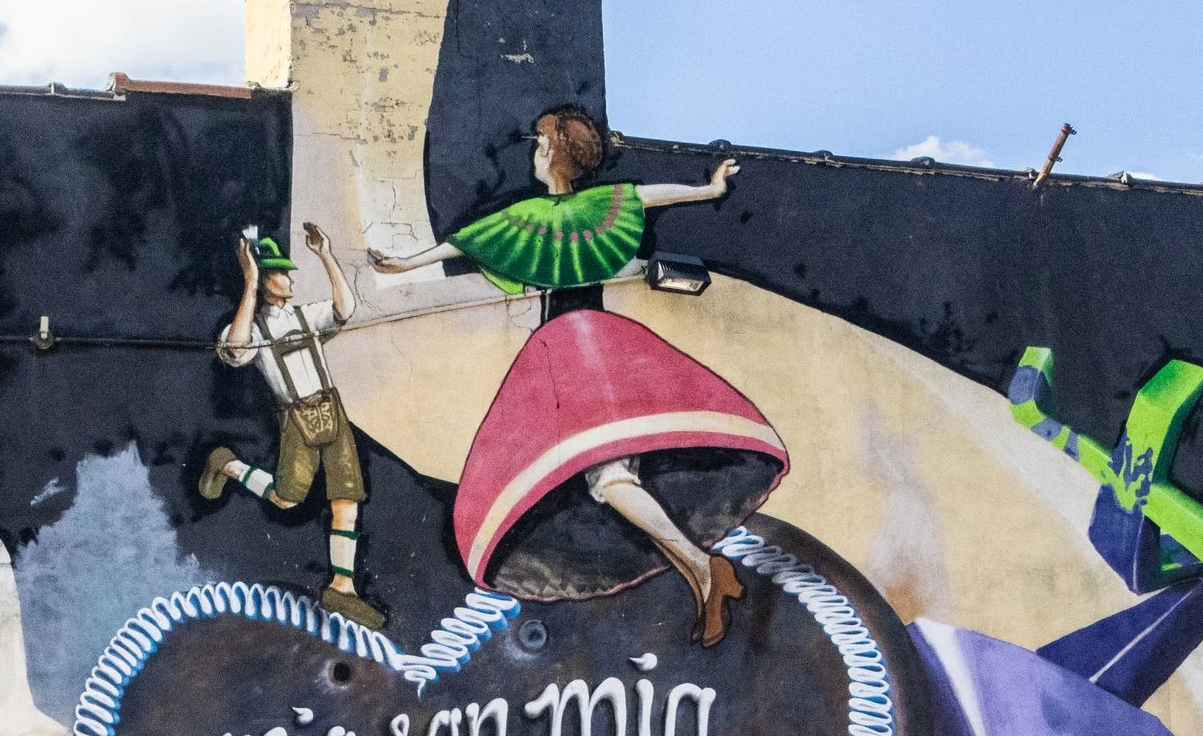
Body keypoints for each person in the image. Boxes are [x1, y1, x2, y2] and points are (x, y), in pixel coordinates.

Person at [372, 105, 785, 648]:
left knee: (610, 478)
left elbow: (471, 240)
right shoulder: (576, 210)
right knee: (610, 477)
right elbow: (475, 238)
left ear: (551, 151)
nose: (534, 153)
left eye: (540, 143)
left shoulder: (549, 213)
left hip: (577, 350)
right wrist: (708, 190)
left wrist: (406, 264)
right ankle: (706, 578)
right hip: (589, 346)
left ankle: (705, 568)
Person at [200, 223, 384, 630]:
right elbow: (235, 349)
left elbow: (344, 310)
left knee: (347, 500)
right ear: (266, 280)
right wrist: (249, 284)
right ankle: (227, 464)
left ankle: (342, 587)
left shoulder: (306, 315)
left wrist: (325, 254)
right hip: (297, 421)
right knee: (286, 498)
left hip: (332, 414)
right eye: (281, 272)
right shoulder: (253, 329)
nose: (290, 277)